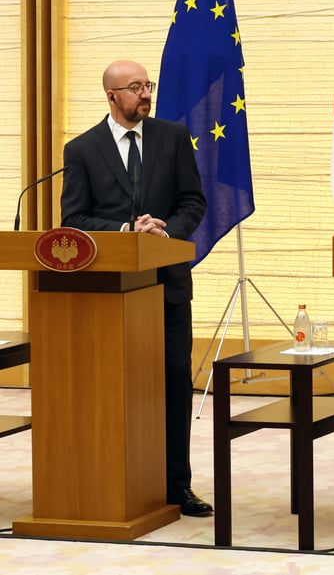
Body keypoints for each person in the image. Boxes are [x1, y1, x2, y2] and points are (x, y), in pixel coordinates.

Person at [60, 59, 212, 517]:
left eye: (148, 85)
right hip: (108, 296)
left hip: (166, 288)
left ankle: (176, 485)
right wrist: (126, 229)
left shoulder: (172, 138)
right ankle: (114, 478)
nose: (146, 94)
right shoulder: (82, 150)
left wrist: (164, 232)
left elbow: (193, 201)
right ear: (112, 97)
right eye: (135, 88)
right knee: (113, 387)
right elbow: (73, 220)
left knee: (171, 384)